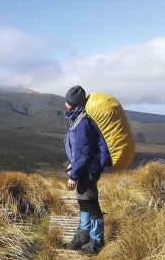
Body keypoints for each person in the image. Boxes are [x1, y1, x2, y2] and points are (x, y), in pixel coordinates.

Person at [63, 85, 105, 254]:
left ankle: (96, 242)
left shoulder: (83, 122)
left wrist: (73, 175)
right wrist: (72, 164)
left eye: (67, 101)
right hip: (84, 168)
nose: (65, 103)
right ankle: (83, 237)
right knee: (84, 203)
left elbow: (82, 151)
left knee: (91, 204)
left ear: (71, 103)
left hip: (86, 170)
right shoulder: (79, 118)